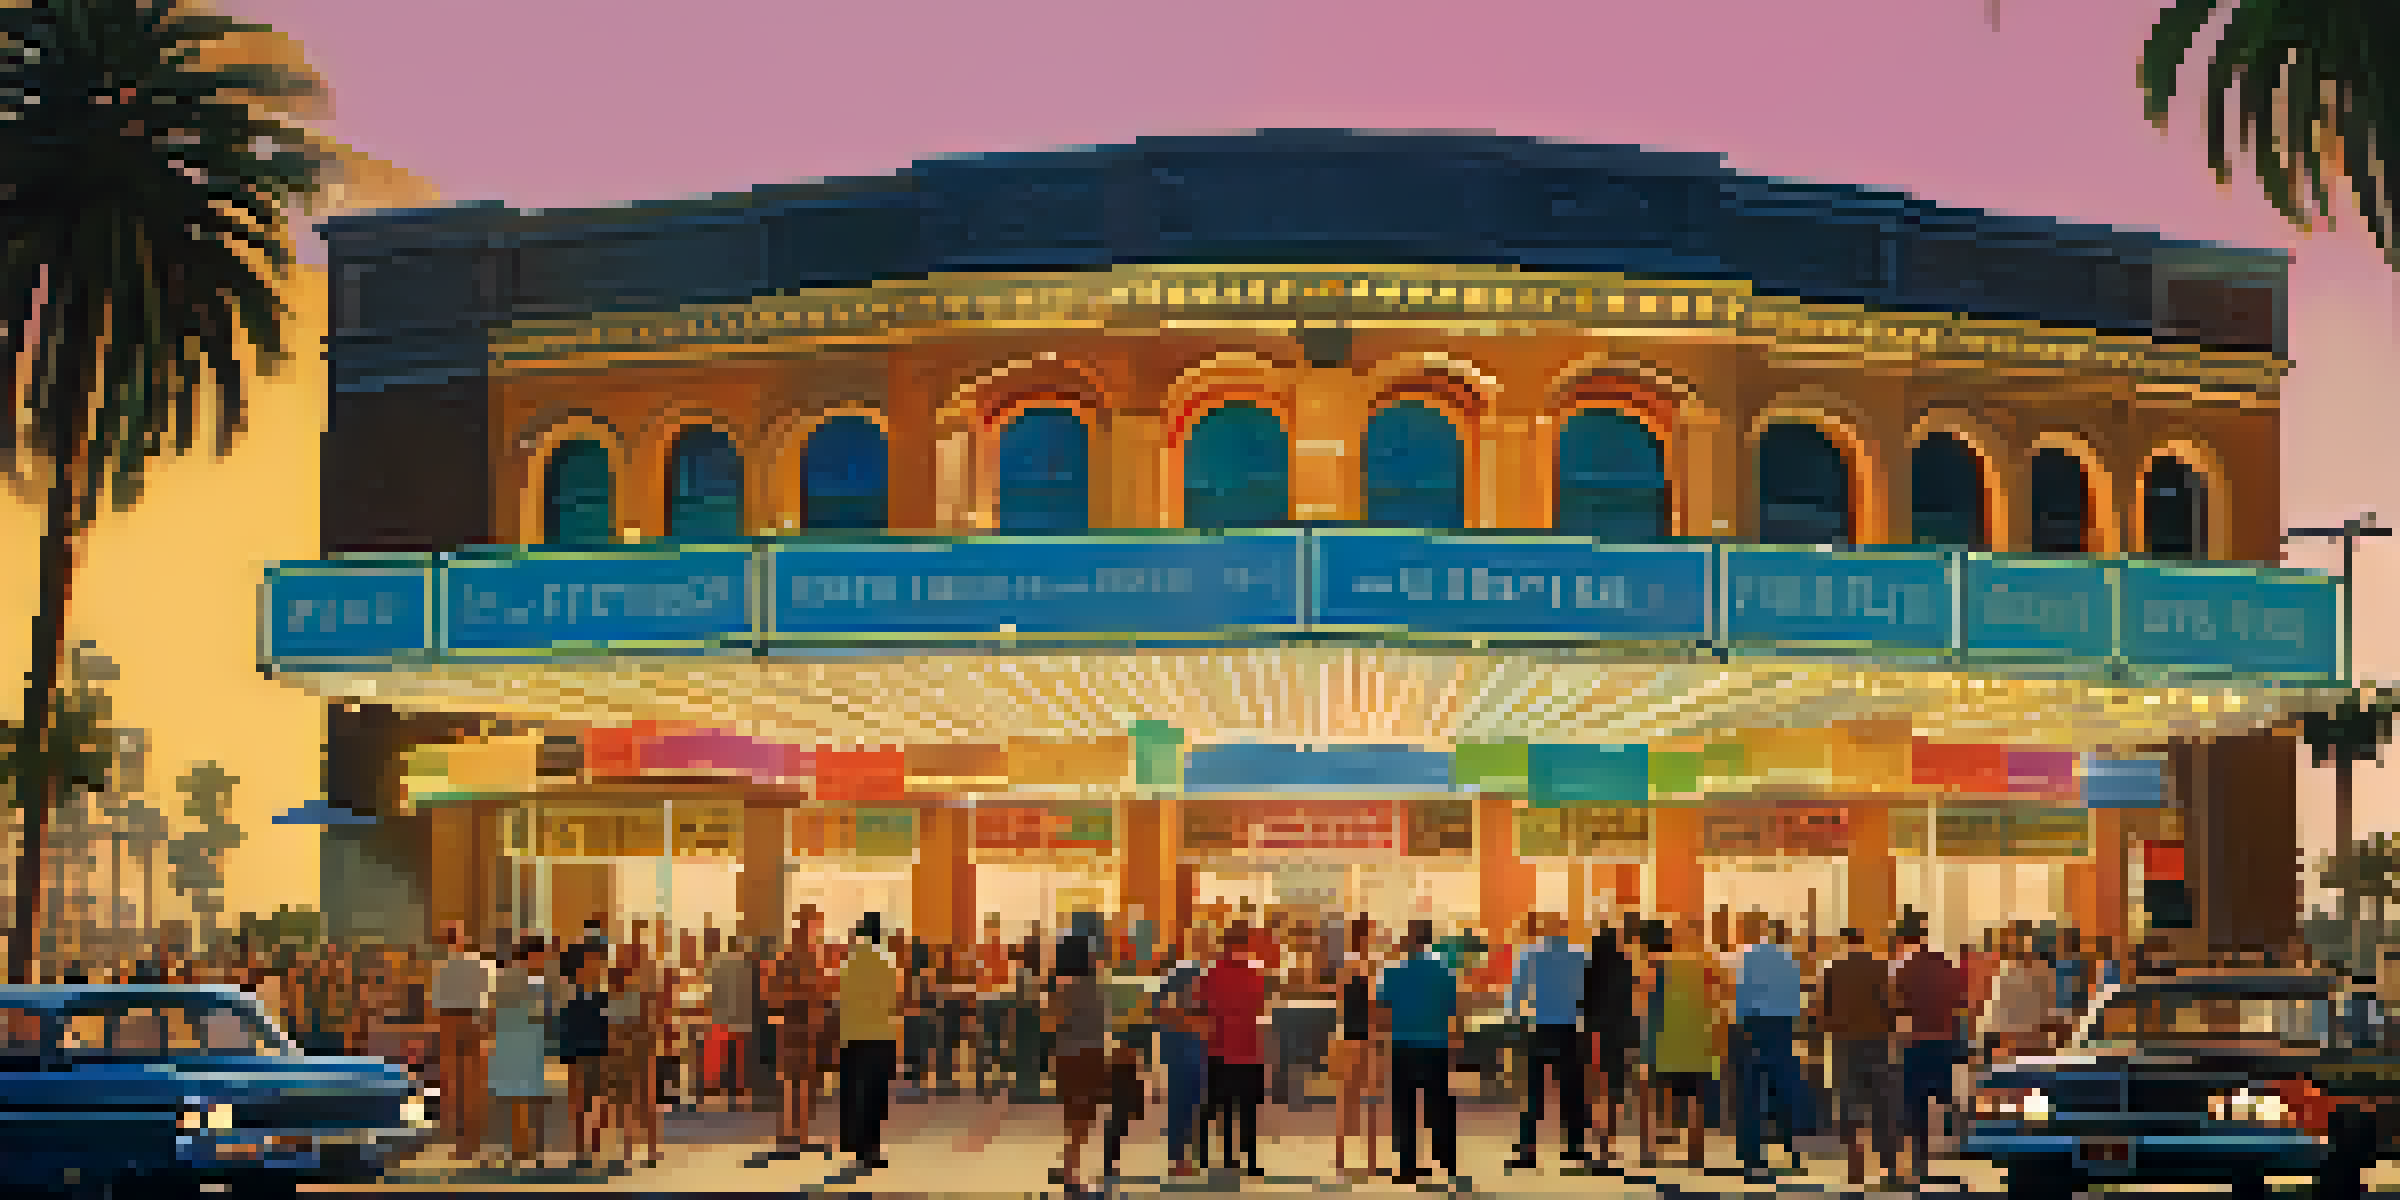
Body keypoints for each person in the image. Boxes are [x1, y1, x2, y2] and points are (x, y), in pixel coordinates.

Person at [1505, 911, 1590, 1169]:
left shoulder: (1530, 954)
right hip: (1568, 1029)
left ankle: (1527, 1152)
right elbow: (1587, 993)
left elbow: (1517, 992)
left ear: (1544, 929)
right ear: (1565, 930)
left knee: (1532, 1094)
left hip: (1538, 1028)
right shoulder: (1579, 956)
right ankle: (1574, 1149)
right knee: (1572, 1093)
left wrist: (1516, 1022)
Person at [1642, 918, 1728, 1170]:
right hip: (1698, 1042)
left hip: (1666, 1042)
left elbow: (1647, 1005)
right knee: (1696, 1102)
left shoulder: (1659, 965)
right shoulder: (1708, 965)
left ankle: (1649, 1153)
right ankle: (1695, 1155)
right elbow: (1721, 1002)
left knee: (1653, 1097)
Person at [1381, 918, 1460, 1185]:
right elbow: (1453, 1009)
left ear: (1408, 938)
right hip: (1436, 1045)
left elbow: (1382, 1005)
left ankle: (1408, 1167)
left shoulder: (1394, 971)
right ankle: (1447, 1159)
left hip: (1403, 1045)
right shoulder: (1443, 970)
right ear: (1429, 939)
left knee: (1404, 1109)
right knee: (1439, 1103)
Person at [1891, 918, 1969, 1187]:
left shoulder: (1903, 967)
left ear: (1903, 940)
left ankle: (1920, 1158)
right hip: (1944, 1038)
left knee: (1916, 1101)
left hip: (1915, 1041)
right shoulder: (1945, 964)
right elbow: (1961, 1001)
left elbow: (1895, 1004)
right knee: (1944, 1094)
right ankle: (1958, 1145)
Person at [1732, 910, 1808, 1174]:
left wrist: (1741, 1025)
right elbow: (1797, 1000)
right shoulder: (1790, 960)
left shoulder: (1750, 957)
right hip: (1782, 1027)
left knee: (1752, 1093)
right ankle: (1793, 1151)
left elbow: (1742, 994)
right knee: (1785, 1091)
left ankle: (1752, 1155)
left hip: (1755, 1026)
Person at [1195, 920, 1270, 1177]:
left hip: (1219, 1049)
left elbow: (1202, 1007)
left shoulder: (1212, 973)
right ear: (1246, 944)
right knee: (1248, 1110)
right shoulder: (1254, 973)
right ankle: (1250, 1161)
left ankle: (1226, 1158)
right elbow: (1260, 1007)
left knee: (1223, 1107)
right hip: (1249, 1049)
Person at [1047, 929, 1115, 1191]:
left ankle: (1070, 1170)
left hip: (1071, 1055)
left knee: (1074, 1113)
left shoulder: (1066, 987)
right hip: (1095, 1054)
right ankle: (1068, 1164)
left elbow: (1051, 1022)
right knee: (1084, 1113)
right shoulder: (1098, 986)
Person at [837, 912, 899, 1172]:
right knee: (875, 1095)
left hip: (852, 1035)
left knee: (855, 1092)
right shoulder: (886, 962)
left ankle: (857, 1145)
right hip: (879, 1034)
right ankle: (871, 1148)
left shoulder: (850, 962)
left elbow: (843, 997)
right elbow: (892, 1001)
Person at [487, 936, 555, 1170]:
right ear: (532, 955)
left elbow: (492, 1011)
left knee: (518, 1097)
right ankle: (525, 1148)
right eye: (543, 955)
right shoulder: (530, 980)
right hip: (524, 1041)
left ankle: (521, 1148)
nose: (545, 960)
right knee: (525, 1096)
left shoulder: (504, 977)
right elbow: (541, 1013)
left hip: (512, 1041)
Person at [768, 909, 833, 1153]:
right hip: (803, 1027)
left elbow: (772, 993)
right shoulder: (808, 958)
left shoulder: (786, 957)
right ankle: (799, 1135)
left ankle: (788, 1134)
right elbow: (815, 993)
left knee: (791, 1082)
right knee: (803, 1082)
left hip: (790, 1026)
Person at [430, 920, 493, 1160]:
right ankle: (469, 1143)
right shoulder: (477, 963)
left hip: (454, 1024)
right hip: (468, 1022)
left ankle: (465, 1143)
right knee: (468, 1085)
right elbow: (486, 996)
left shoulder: (445, 966)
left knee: (459, 1086)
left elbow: (437, 1004)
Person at [1156, 926, 1216, 1177]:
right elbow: (1165, 1011)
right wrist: (1194, 1025)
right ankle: (1180, 1159)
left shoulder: (1181, 973)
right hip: (1187, 1047)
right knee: (1186, 1104)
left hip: (1185, 1047)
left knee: (1186, 1104)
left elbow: (1160, 1010)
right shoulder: (1188, 973)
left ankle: (1181, 1158)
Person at [1330, 917, 1385, 1180]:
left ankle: (1341, 1158)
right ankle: (1371, 1161)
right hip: (1365, 1040)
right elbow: (1373, 1007)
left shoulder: (1344, 966)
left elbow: (1340, 1003)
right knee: (1369, 1101)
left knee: (1346, 1100)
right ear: (1365, 937)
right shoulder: (1368, 966)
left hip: (1346, 1037)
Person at [1584, 919, 1641, 1167]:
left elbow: (1583, 1003)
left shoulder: (1590, 968)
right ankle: (1608, 1143)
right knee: (1615, 1090)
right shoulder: (1626, 965)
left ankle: (1596, 1138)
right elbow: (1631, 1003)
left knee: (1596, 1087)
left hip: (1595, 1034)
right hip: (1620, 1034)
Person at [705, 931, 755, 1111]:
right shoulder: (746, 966)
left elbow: (712, 990)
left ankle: (719, 1090)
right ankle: (739, 1092)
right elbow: (749, 993)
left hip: (722, 1017)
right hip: (741, 1018)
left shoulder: (719, 964)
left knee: (721, 1055)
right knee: (739, 1057)